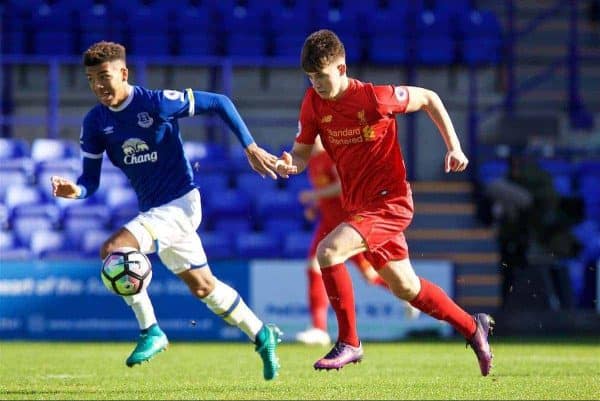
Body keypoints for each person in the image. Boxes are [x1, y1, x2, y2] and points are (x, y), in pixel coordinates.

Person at [51, 41, 282, 380]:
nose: (98, 85)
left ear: (124, 73)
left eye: (104, 76)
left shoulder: (155, 102)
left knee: (114, 250)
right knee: (204, 287)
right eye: (90, 79)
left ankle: (151, 331)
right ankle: (262, 333)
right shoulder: (95, 123)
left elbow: (219, 102)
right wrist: (76, 191)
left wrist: (249, 146)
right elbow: (90, 181)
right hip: (157, 212)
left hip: (182, 204)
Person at [274, 30, 494, 376]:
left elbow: (430, 98)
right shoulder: (313, 103)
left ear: (342, 68)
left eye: (322, 75)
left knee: (328, 252)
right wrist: (291, 164)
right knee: (406, 287)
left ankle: (350, 342)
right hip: (358, 207)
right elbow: (302, 152)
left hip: (389, 203)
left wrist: (454, 147)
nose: (316, 83)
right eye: (311, 77)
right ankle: (473, 326)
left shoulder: (375, 99)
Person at [296, 135, 419, 346]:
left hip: (347, 225)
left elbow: (343, 187)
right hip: (328, 224)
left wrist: (316, 196)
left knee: (371, 276)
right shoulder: (313, 161)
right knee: (313, 267)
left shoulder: (329, 157)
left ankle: (409, 294)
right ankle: (319, 328)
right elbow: (328, 194)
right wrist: (315, 207)